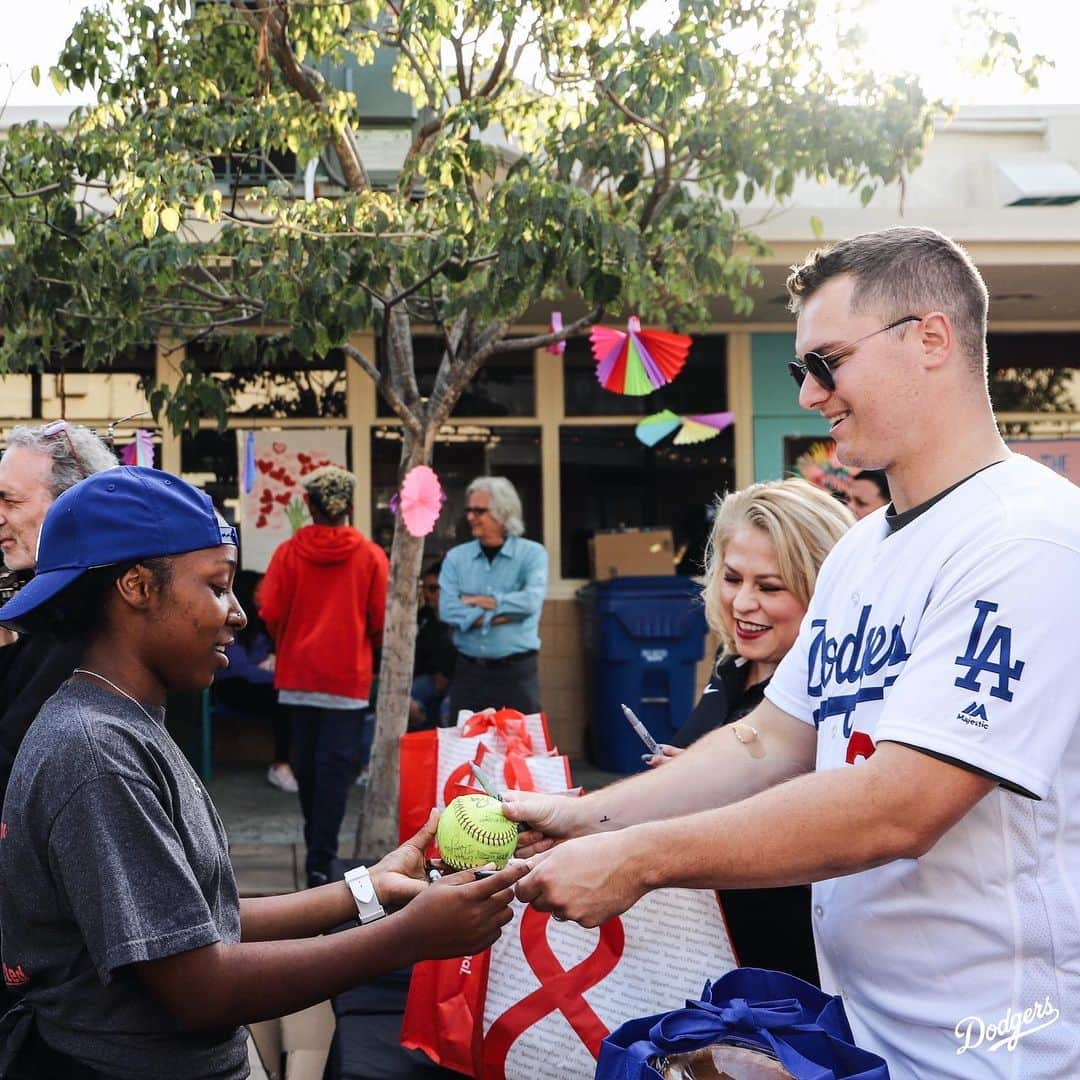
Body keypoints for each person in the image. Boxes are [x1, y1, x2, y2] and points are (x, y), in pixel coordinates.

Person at [503, 226, 1080, 1079]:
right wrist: (588, 817)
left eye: (827, 362)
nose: (811, 395)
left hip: (996, 1045)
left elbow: (904, 804)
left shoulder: (1027, 538)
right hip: (867, 1029)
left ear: (931, 339)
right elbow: (770, 743)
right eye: (796, 371)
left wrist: (640, 858)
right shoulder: (860, 548)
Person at [0, 466, 526, 1079]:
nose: (240, 615)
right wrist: (408, 937)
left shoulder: (121, 723)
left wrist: (370, 888)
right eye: (218, 586)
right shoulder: (95, 753)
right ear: (137, 586)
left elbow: (196, 920)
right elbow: (201, 989)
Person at [646, 479, 852, 984]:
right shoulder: (730, 670)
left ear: (822, 587)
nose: (742, 603)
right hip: (711, 955)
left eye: (769, 586)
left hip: (800, 972)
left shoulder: (839, 698)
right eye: (733, 578)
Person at [257, 466, 389, 887]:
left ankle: (316, 847)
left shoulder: (288, 554)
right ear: (349, 507)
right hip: (347, 680)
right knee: (335, 771)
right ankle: (321, 856)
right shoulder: (370, 556)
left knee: (307, 769)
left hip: (297, 677)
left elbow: (270, 611)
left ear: (310, 506)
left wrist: (289, 641)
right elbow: (380, 620)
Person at [0, 421, 116, 804]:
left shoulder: (89, 616)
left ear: (73, 505)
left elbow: (16, 763)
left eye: (11, 501)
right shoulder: (49, 606)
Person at [439, 477, 547, 718]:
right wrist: (504, 613)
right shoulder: (456, 558)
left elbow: (530, 602)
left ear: (503, 513)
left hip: (516, 673)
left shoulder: (532, 554)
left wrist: (480, 601)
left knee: (521, 751)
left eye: (479, 511)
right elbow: (447, 610)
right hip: (469, 672)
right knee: (465, 751)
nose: (470, 517)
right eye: (468, 510)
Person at [215, 569, 297, 792]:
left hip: (262, 684)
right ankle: (281, 765)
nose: (265, 593)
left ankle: (295, 764)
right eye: (260, 588)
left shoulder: (265, 622)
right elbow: (239, 669)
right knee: (282, 697)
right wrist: (276, 673)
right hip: (231, 686)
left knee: (293, 698)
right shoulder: (230, 623)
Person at [408, 561, 456, 731]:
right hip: (427, 677)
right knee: (407, 701)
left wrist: (445, 674)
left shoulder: (461, 616)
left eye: (434, 589)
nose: (428, 594)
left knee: (448, 711)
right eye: (425, 588)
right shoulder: (422, 618)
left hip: (459, 678)